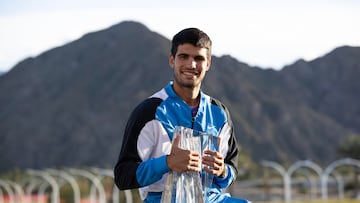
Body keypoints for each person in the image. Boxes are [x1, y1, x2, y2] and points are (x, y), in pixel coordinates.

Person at [114, 28, 250, 203]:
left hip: (211, 198)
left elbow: (231, 169)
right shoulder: (149, 111)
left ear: (208, 64)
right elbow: (123, 176)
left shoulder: (220, 113)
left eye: (198, 58)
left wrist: (222, 170)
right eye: (184, 57)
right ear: (172, 60)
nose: (191, 65)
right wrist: (167, 163)